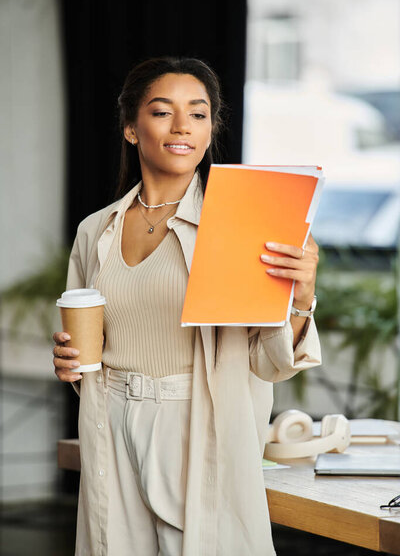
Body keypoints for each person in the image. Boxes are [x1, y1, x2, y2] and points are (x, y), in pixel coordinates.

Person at [52, 56, 321, 556]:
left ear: (211, 128)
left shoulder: (241, 226)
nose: (182, 127)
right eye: (161, 112)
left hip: (194, 422)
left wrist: (300, 300)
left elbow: (271, 363)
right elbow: (84, 347)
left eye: (198, 114)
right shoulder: (96, 230)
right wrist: (68, 360)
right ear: (131, 128)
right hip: (109, 417)